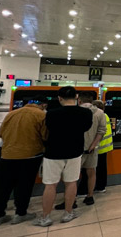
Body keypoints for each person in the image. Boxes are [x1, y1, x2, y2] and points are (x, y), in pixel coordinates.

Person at [34, 86, 93, 227]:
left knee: (50, 185)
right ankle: (68, 213)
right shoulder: (86, 113)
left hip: (53, 153)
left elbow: (47, 129)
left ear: (60, 98)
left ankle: (46, 217)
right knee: (71, 182)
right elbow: (86, 128)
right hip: (75, 152)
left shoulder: (51, 114)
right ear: (76, 97)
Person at [0, 96, 48, 227]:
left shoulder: (12, 114)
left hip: (8, 154)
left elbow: (1, 134)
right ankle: (20, 213)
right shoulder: (41, 115)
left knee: (4, 185)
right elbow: (45, 135)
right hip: (30, 155)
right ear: (43, 105)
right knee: (24, 185)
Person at [58, 92, 106, 209]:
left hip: (76, 149)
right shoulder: (100, 113)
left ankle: (71, 200)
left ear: (79, 101)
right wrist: (93, 145)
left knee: (72, 176)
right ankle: (90, 196)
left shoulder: (75, 111)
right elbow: (101, 131)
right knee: (91, 173)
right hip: (92, 149)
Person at [78, 100, 113, 193]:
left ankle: (85, 190)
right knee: (101, 169)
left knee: (88, 171)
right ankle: (101, 187)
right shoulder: (105, 115)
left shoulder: (97, 116)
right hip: (105, 147)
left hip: (96, 147)